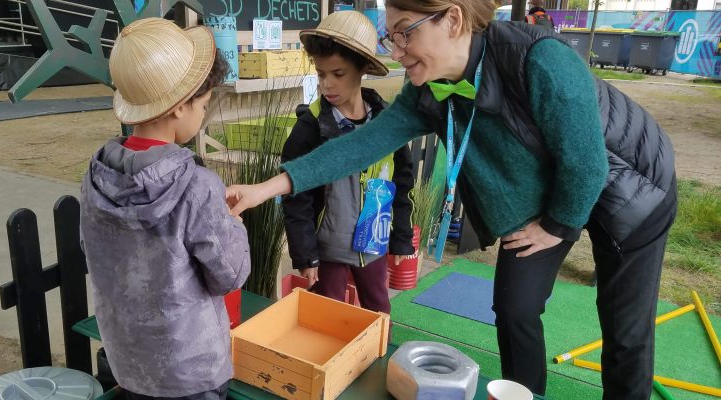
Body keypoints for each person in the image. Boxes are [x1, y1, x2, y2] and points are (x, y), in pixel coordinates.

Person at [226, 0, 677, 399]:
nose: (394, 50)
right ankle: (523, 396)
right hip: (548, 192)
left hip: (630, 190)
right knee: (515, 307)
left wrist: (557, 227)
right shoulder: (426, 90)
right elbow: (356, 147)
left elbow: (587, 167)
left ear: (453, 20)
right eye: (390, 35)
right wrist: (265, 188)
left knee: (625, 329)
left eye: (403, 31)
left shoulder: (542, 60)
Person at [80, 18, 250, 400]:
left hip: (129, 363)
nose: (203, 114)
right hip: (192, 373)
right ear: (177, 107)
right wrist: (232, 222)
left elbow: (93, 253)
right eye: (203, 105)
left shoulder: (95, 177)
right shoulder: (197, 185)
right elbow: (230, 275)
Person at [282, 10, 415, 314]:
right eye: (321, 74)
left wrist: (401, 238)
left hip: (374, 246)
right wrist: (305, 254)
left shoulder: (386, 124)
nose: (327, 84)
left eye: (338, 74)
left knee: (379, 314)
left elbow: (402, 184)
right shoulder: (310, 127)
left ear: (363, 68)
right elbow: (295, 195)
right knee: (328, 318)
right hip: (327, 251)